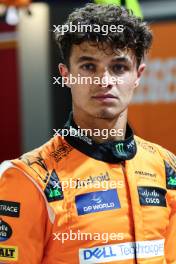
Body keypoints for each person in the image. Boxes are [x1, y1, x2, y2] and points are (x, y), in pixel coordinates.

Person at [0, 3, 176, 264]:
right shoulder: (30, 178)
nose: (104, 81)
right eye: (88, 67)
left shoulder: (166, 168)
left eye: (118, 67)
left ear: (138, 75)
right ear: (66, 75)